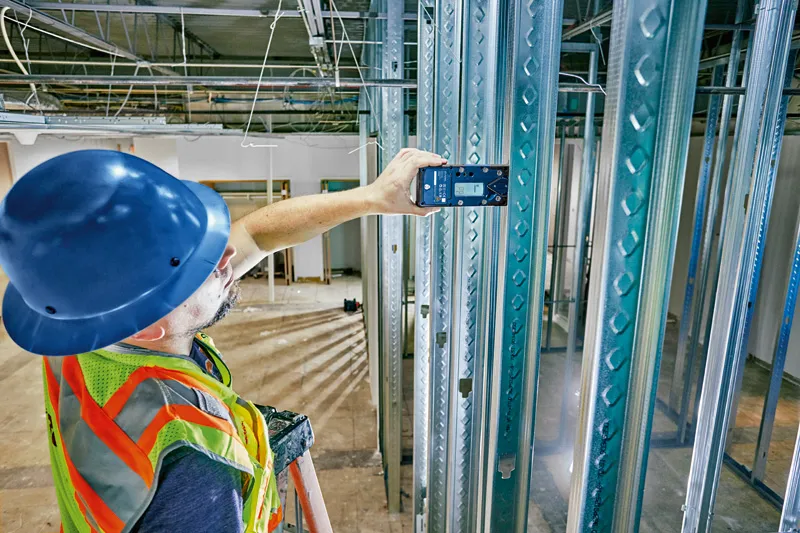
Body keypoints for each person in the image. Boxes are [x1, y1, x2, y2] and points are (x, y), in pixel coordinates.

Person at [0, 147, 444, 533]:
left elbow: (256, 234)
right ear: (147, 324)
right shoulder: (189, 461)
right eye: (201, 267)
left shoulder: (85, 326)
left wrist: (372, 197)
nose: (228, 255)